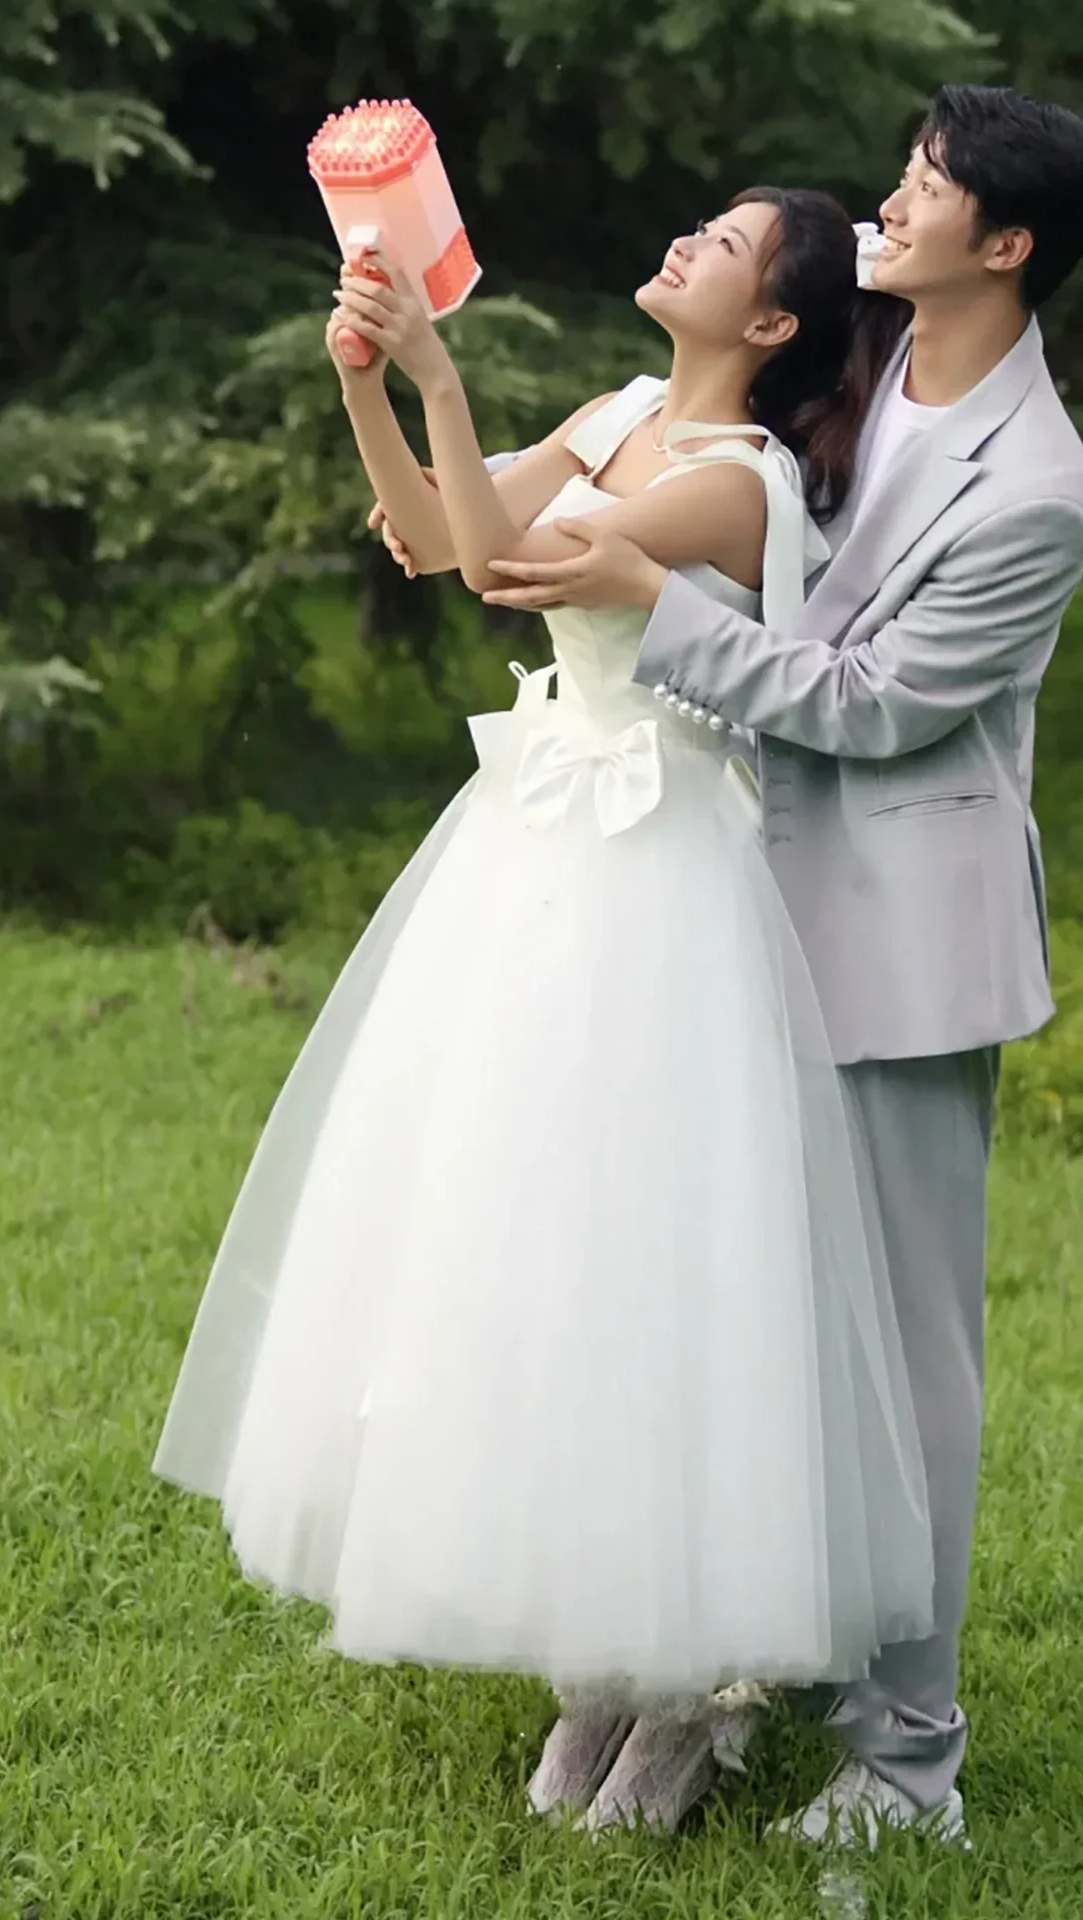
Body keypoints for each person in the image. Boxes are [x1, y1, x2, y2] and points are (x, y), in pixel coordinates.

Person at [152, 185, 938, 1837]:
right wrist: (372, 381)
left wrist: (441, 381)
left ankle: (692, 1688)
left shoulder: (741, 484)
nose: (681, 246)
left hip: (665, 882)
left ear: (776, 320)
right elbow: (442, 539)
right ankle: (604, 1656)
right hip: (538, 857)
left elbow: (521, 562)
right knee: (524, 1233)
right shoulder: (631, 408)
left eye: (721, 247)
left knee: (648, 1252)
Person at [470, 85, 1083, 1849]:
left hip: (902, 948)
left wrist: (653, 607)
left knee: (902, 1362)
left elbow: (882, 707)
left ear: (1010, 245)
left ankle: (910, 1758)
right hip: (730, 905)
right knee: (732, 1313)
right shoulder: (868, 371)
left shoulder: (1037, 488)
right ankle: (727, 1654)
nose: (890, 207)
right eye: (903, 177)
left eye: (928, 191)